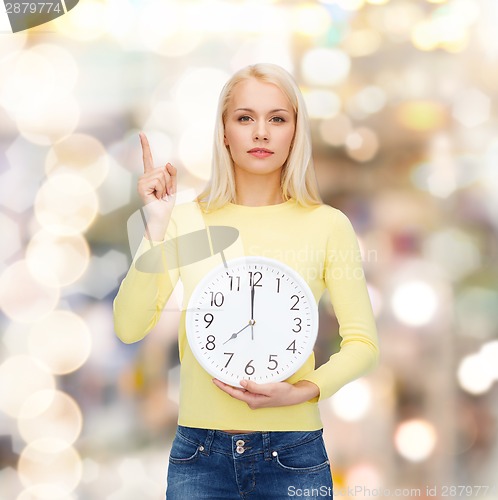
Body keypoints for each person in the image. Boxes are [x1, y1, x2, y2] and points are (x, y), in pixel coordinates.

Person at [113, 63, 379, 499]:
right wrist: (155, 224)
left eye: (277, 118)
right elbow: (128, 327)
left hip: (293, 454)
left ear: (295, 132)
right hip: (200, 456)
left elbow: (364, 345)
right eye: (244, 118)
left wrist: (301, 393)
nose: (261, 133)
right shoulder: (185, 220)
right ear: (223, 132)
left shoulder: (328, 226)